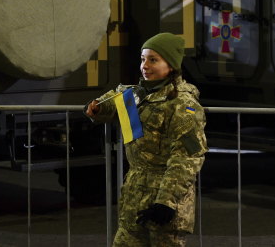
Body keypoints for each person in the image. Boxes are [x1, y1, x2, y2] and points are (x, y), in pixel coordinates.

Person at [85, 32, 207, 247]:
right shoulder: (138, 95)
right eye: (143, 59)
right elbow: (111, 103)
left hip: (165, 197)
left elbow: (187, 158)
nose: (145, 66)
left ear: (171, 66)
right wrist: (97, 107)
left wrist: (166, 202)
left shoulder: (182, 104)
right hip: (135, 192)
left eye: (153, 60)